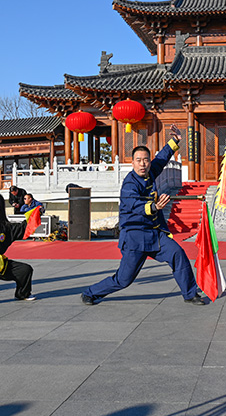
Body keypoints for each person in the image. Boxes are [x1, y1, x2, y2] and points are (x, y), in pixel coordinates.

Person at [81, 125, 205, 306]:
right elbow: (134, 204)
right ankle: (90, 292)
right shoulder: (129, 183)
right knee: (124, 280)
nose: (143, 164)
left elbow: (161, 159)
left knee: (177, 253)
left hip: (155, 234)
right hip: (134, 237)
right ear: (132, 163)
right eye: (138, 160)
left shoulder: (150, 172)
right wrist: (154, 207)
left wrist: (175, 141)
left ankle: (190, 293)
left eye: (146, 160)